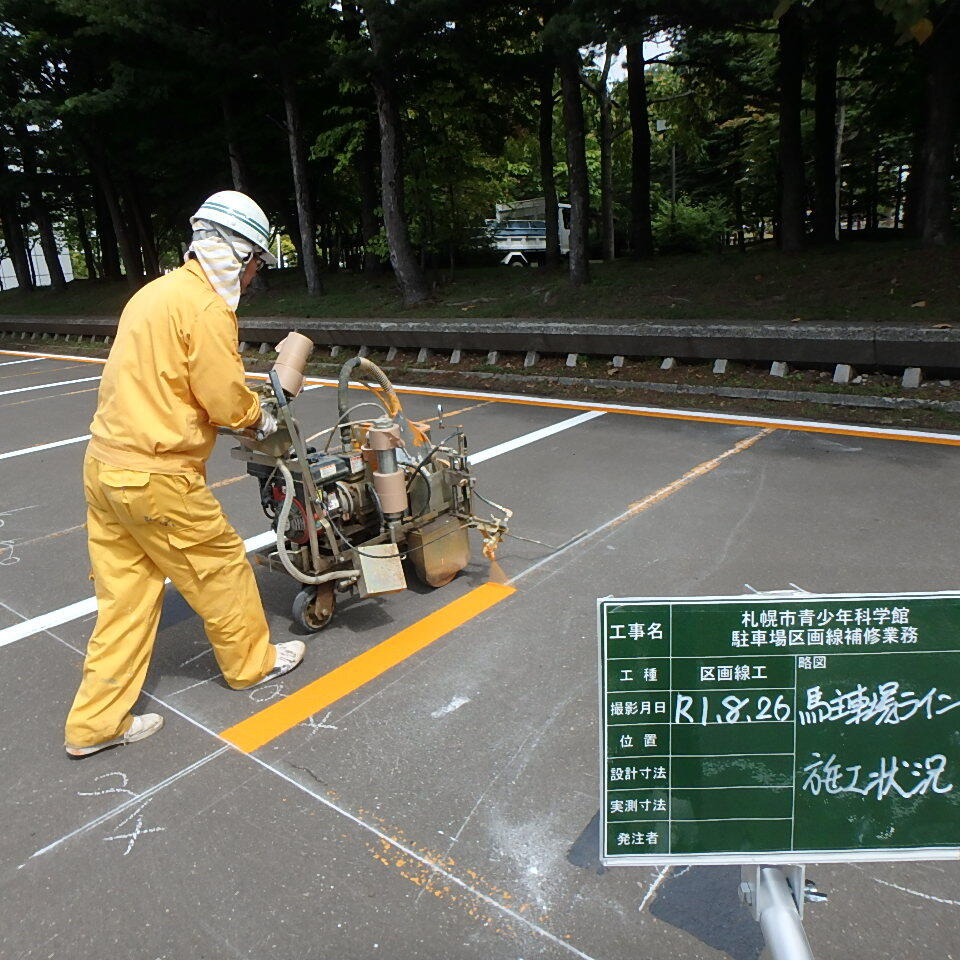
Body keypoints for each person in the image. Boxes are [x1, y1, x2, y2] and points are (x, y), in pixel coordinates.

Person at [64, 190, 305, 757]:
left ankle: (94, 726)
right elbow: (224, 399)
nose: (252, 278)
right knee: (220, 566)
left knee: (125, 599)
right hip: (157, 476)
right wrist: (258, 416)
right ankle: (253, 664)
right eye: (255, 265)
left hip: (105, 466)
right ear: (240, 254)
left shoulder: (152, 294)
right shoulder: (205, 309)